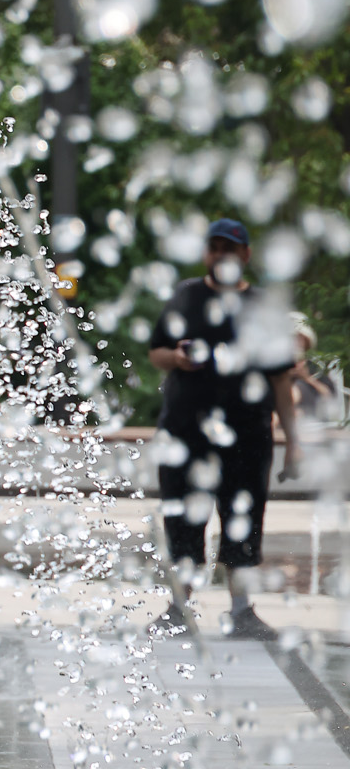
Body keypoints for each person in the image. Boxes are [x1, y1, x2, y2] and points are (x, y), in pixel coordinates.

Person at [149, 217, 301, 639]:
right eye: (215, 247)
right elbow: (157, 352)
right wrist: (177, 359)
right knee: (181, 520)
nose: (222, 255)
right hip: (185, 435)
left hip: (247, 436)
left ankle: (242, 612)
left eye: (230, 248)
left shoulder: (263, 308)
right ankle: (179, 611)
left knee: (244, 519)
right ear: (205, 253)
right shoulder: (185, 296)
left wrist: (294, 441)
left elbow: (281, 379)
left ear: (245, 255)